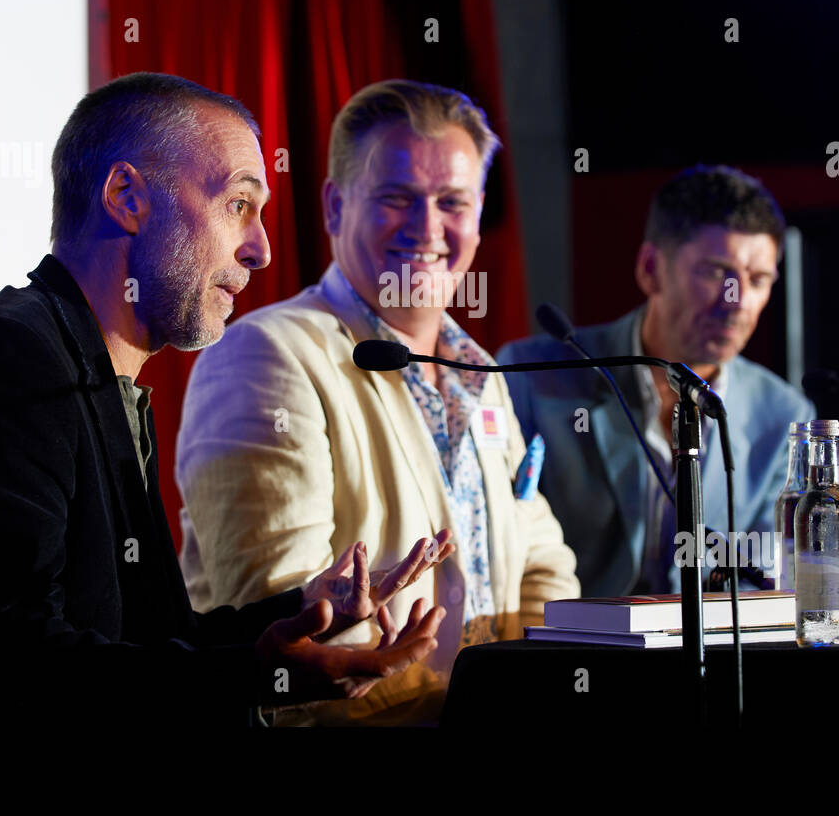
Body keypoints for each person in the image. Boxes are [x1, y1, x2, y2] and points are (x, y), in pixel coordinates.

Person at [0, 72, 447, 731]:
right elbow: (9, 666)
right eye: (239, 205)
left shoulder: (95, 376)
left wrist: (306, 611)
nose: (262, 248)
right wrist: (259, 675)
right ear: (127, 196)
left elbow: (147, 639)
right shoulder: (3, 361)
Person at [176, 79, 579, 724]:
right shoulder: (264, 355)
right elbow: (287, 631)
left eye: (452, 201)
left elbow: (542, 567)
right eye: (396, 198)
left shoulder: (481, 369)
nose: (427, 228)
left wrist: (527, 698)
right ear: (335, 208)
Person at [498, 165, 814, 596]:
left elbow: (764, 581)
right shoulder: (534, 377)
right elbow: (503, 549)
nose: (736, 302)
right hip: (570, 649)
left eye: (757, 280)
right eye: (715, 272)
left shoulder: (784, 416)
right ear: (650, 269)